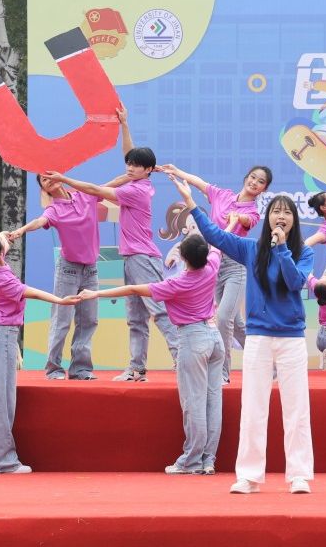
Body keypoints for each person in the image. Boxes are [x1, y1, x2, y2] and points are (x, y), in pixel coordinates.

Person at [77, 177, 226, 475]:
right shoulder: (212, 265)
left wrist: (95, 293)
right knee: (213, 400)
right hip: (214, 339)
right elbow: (218, 240)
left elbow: (133, 289)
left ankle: (191, 461)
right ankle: (208, 460)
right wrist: (195, 203)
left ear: (183, 257)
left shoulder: (176, 284)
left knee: (194, 402)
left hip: (193, 341)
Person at [191, 193, 316, 495]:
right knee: (253, 407)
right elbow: (216, 236)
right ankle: (249, 476)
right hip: (258, 336)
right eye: (276, 212)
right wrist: (193, 207)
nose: (281, 217)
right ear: (268, 217)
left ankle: (298, 475)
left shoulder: (303, 252)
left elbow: (294, 282)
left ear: (294, 220)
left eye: (287, 213)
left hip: (291, 338)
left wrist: (282, 248)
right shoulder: (251, 249)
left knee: (297, 408)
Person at [44, 106, 179, 382]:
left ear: (148, 170)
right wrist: (125, 125)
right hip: (132, 258)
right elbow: (130, 155)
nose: (130, 167)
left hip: (143, 258)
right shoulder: (138, 180)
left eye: (136, 165)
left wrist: (64, 179)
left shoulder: (135, 191)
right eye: (129, 164)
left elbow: (95, 190)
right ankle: (136, 369)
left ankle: (183, 360)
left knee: (159, 311)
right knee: (136, 318)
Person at [0, 231, 78, 474]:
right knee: (1, 401)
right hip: (1, 338)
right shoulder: (4, 280)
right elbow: (35, 293)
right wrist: (61, 301)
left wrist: (4, 236)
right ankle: (4, 462)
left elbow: (0, 243)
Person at [158, 162, 271, 383]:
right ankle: (267, 364)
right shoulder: (222, 195)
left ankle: (223, 374)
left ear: (263, 189)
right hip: (214, 265)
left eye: (260, 182)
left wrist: (237, 218)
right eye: (253, 177)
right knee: (236, 324)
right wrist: (177, 172)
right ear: (246, 177)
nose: (254, 182)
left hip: (235, 267)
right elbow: (199, 183)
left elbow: (246, 221)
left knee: (223, 318)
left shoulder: (252, 212)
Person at [6, 172, 119, 381]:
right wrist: (21, 231)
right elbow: (40, 221)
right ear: (44, 189)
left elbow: (110, 185)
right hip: (68, 269)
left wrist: (136, 173)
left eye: (51, 175)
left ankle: (81, 369)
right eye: (44, 180)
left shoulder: (85, 195)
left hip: (91, 269)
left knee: (89, 320)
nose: (50, 180)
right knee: (62, 320)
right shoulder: (54, 210)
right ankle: (54, 368)